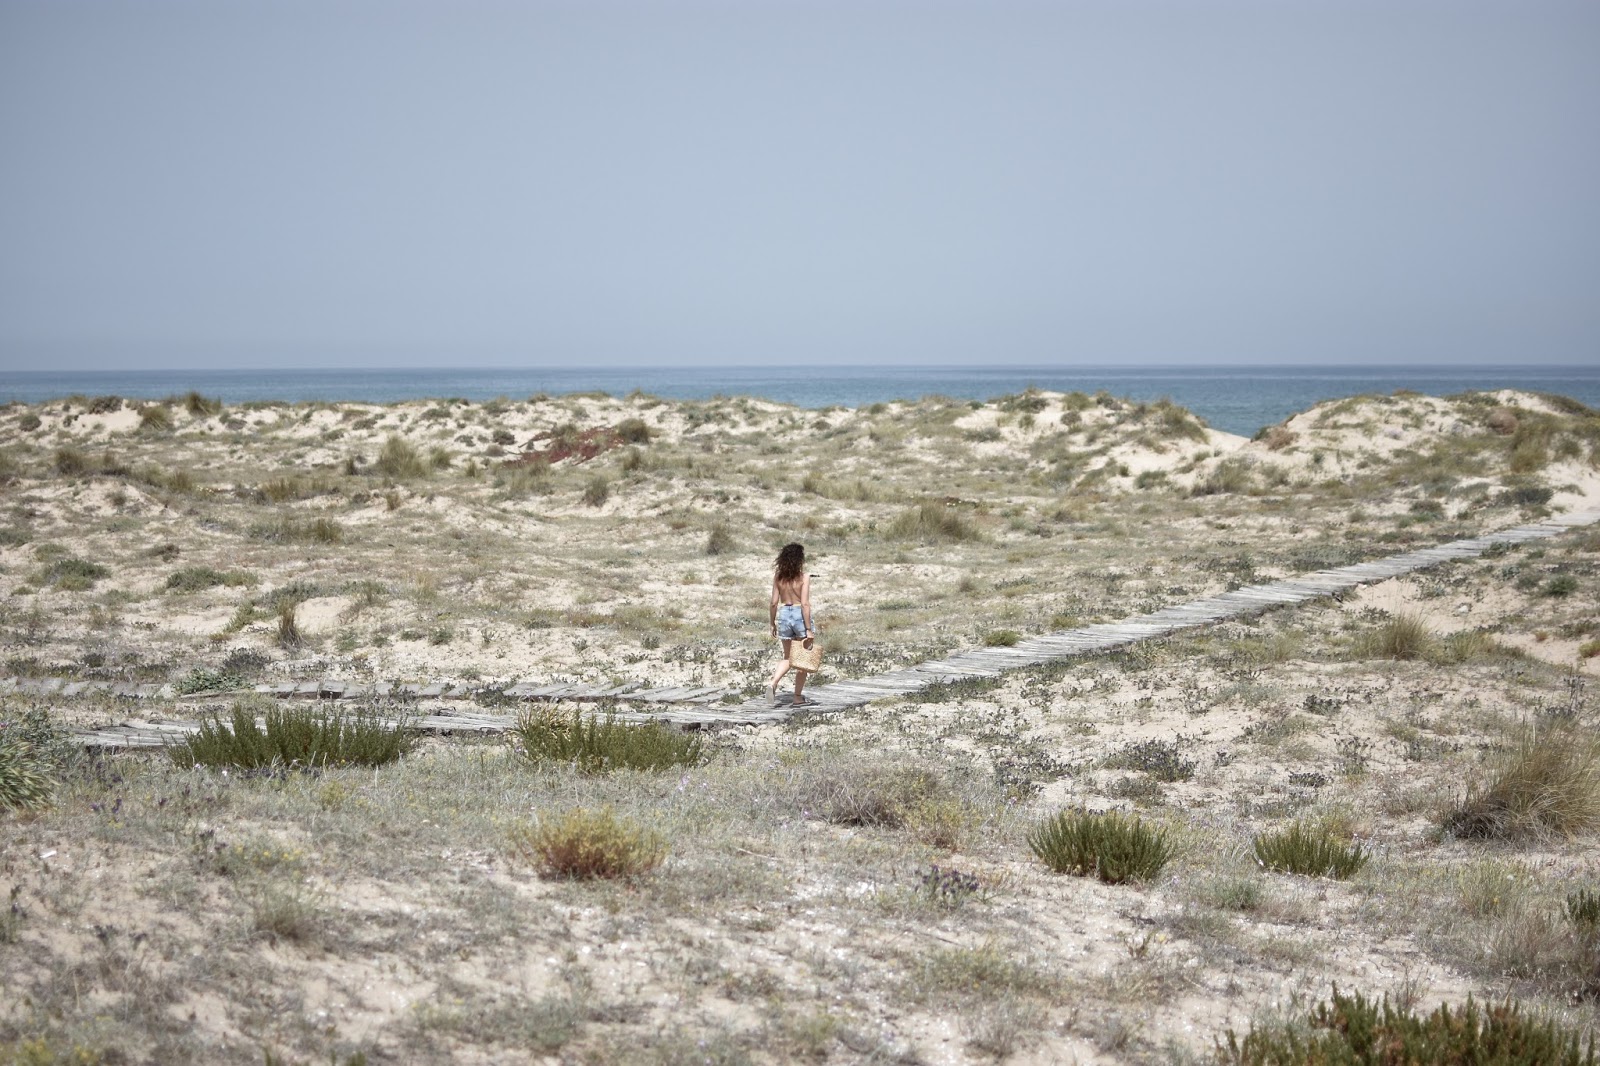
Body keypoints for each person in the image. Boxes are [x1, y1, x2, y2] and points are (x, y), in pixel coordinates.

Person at [767, 542, 815, 706]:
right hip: (799, 615)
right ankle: (797, 697)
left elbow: (773, 603)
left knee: (788, 657)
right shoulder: (804, 577)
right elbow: (805, 604)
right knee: (802, 659)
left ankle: (773, 682)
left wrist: (772, 623)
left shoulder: (778, 577)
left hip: (784, 613)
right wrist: (808, 629)